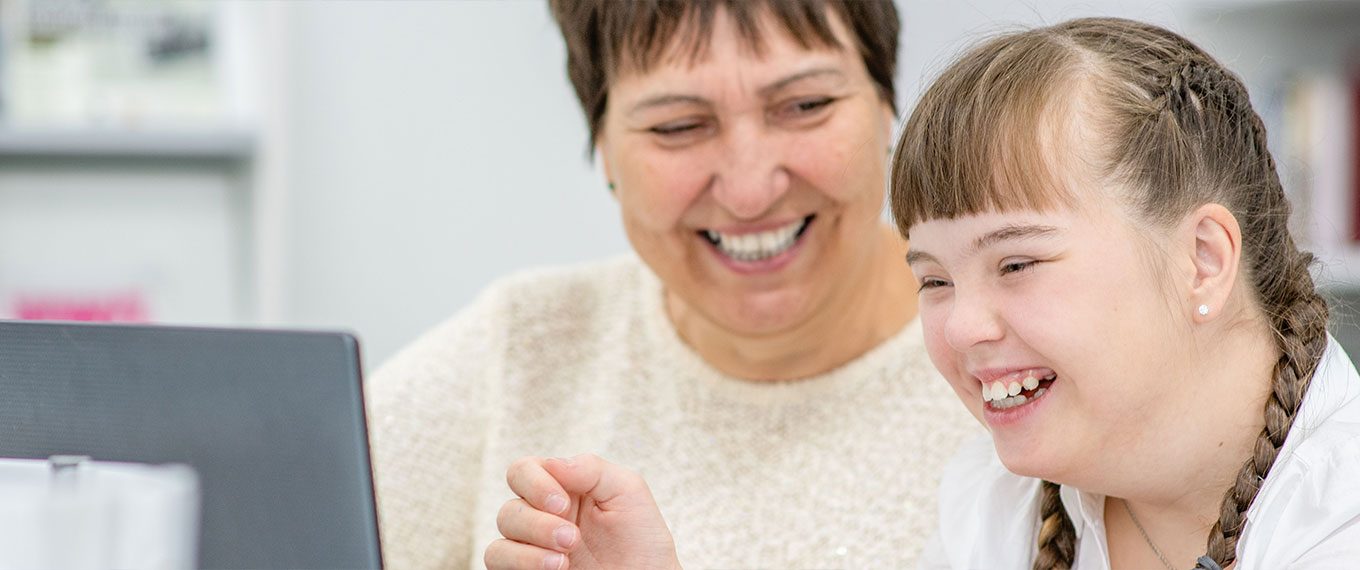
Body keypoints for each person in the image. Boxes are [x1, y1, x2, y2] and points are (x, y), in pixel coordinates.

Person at [486, 16, 1360, 570]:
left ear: (1203, 258)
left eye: (1017, 263)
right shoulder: (1000, 497)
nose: (961, 328)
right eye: (933, 278)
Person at [366, 1, 981, 568]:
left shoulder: (1020, 362)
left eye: (804, 105)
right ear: (603, 151)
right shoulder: (518, 350)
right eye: (679, 126)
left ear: (885, 109)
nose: (749, 191)